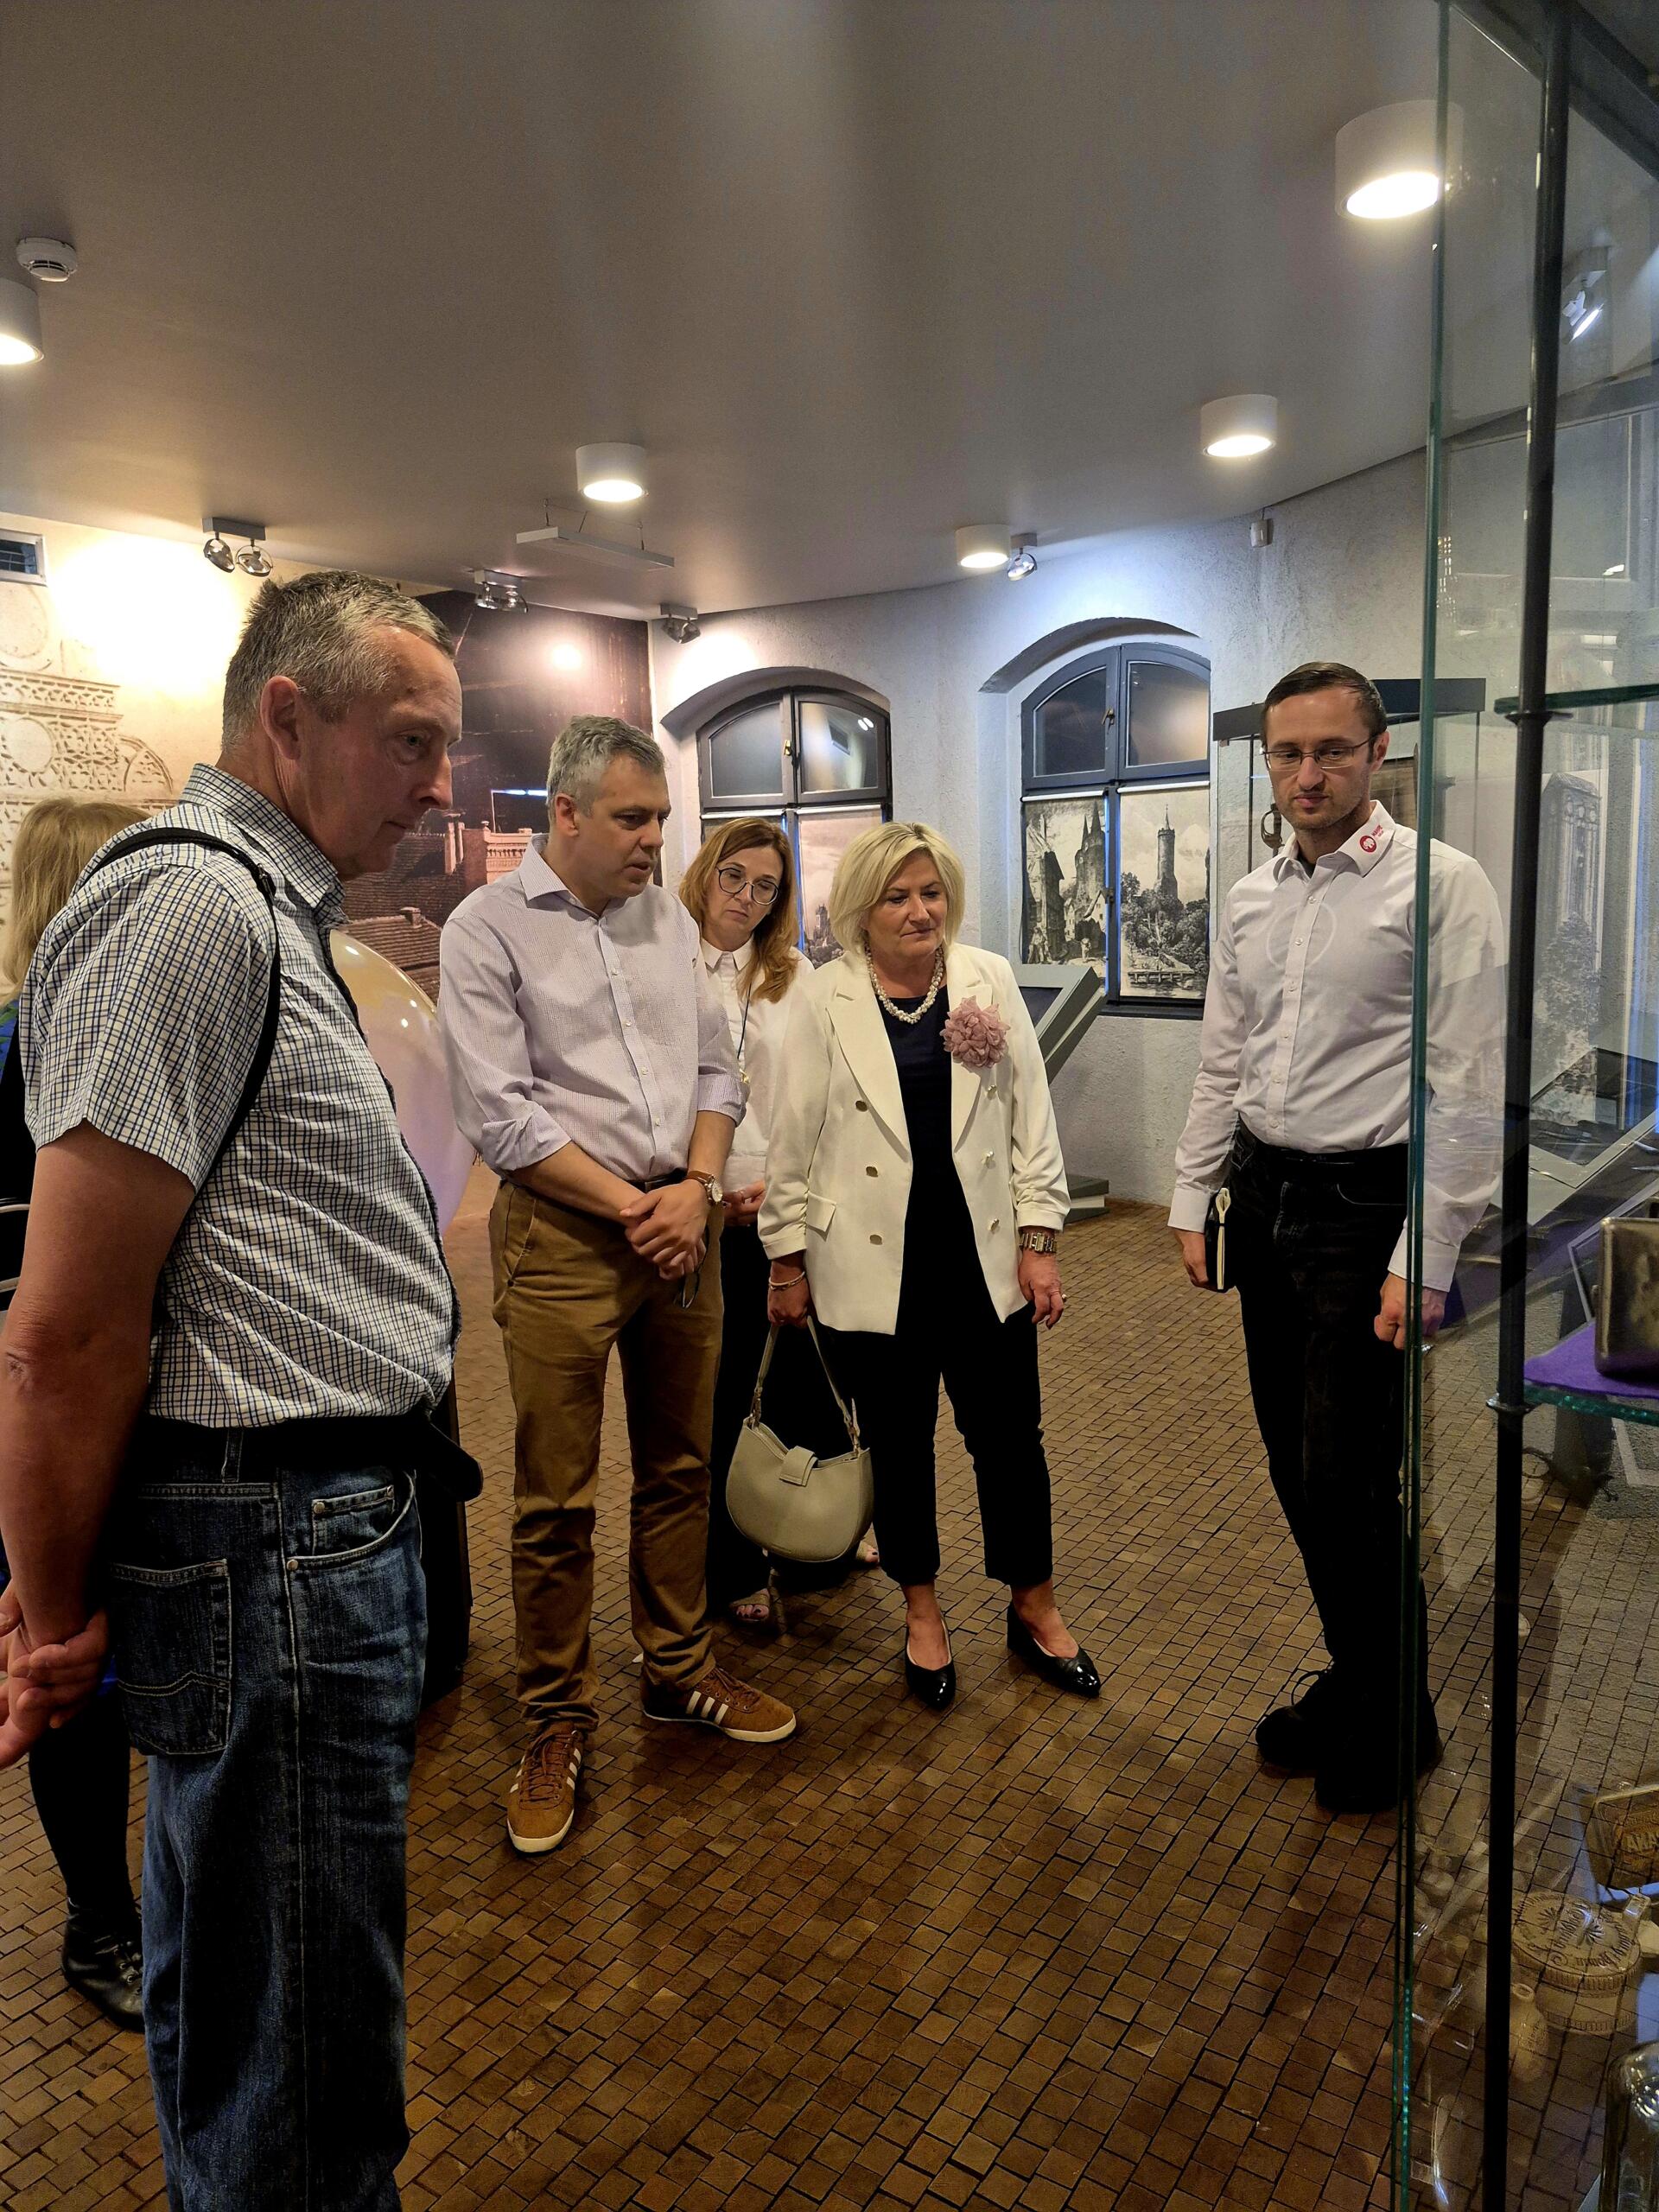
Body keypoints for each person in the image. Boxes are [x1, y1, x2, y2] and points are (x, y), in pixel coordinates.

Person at [0, 570, 470, 2210]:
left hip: (303, 1536)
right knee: (299, 2091)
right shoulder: (191, 907)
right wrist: (54, 1611)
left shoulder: (262, 911)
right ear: (287, 716)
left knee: (274, 2035)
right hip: (277, 1545)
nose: (440, 787)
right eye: (409, 740)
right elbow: (65, 1333)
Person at [439, 716, 798, 1859]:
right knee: (555, 1495)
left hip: (681, 1222)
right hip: (564, 1237)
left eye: (661, 819)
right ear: (566, 813)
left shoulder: (665, 923)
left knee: (681, 1466)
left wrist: (694, 1186)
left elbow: (716, 1070)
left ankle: (677, 1666)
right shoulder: (485, 930)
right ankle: (556, 1717)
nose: (655, 841)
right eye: (633, 819)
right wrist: (642, 1207)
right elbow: (500, 1115)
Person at [1169, 659, 1502, 1816]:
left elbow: (1467, 1090)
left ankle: (1397, 1717)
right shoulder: (1252, 897)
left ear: (1377, 754)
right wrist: (1192, 1194)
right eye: (1288, 753)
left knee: (1349, 1476)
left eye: (1330, 752)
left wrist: (1427, 1254)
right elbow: (1224, 1053)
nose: (1307, 775)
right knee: (1293, 1466)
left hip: (1368, 1212)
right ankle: (1362, 1676)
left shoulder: (1441, 885)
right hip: (1266, 1199)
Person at [761, 820, 1097, 1712]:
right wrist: (785, 1260)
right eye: (898, 897)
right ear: (863, 911)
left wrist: (1040, 1239)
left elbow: (1030, 1117)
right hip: (872, 1267)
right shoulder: (825, 998)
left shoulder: (985, 978)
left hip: (980, 1256)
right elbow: (792, 1141)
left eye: (932, 893)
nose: (920, 912)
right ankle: (921, 1609)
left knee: (1010, 1440)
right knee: (898, 1443)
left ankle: (1034, 1603)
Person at [0, 796, 146, 2030]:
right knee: (64, 1658)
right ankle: (101, 1916)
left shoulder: (119, 1051)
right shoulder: (22, 1052)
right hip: (41, 1413)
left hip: (136, 1403)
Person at [678, 817, 865, 1629]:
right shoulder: (667, 964)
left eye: (766, 887)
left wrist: (788, 1186)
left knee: (802, 1375)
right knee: (725, 1394)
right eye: (734, 878)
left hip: (780, 1202)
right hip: (698, 1208)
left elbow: (814, 1095)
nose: (747, 898)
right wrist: (712, 1188)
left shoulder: (795, 976)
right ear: (706, 872)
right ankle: (730, 1565)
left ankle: (811, 1536)